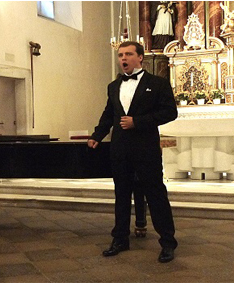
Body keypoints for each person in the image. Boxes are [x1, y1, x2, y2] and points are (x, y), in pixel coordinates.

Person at [88, 41, 178, 263]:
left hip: (145, 148)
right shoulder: (113, 86)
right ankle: (120, 239)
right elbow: (109, 114)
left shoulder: (157, 83)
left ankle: (167, 242)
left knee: (156, 195)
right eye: (120, 55)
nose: (123, 59)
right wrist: (97, 135)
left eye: (128, 54)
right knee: (121, 195)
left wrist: (138, 122)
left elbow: (170, 112)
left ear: (140, 57)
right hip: (120, 149)